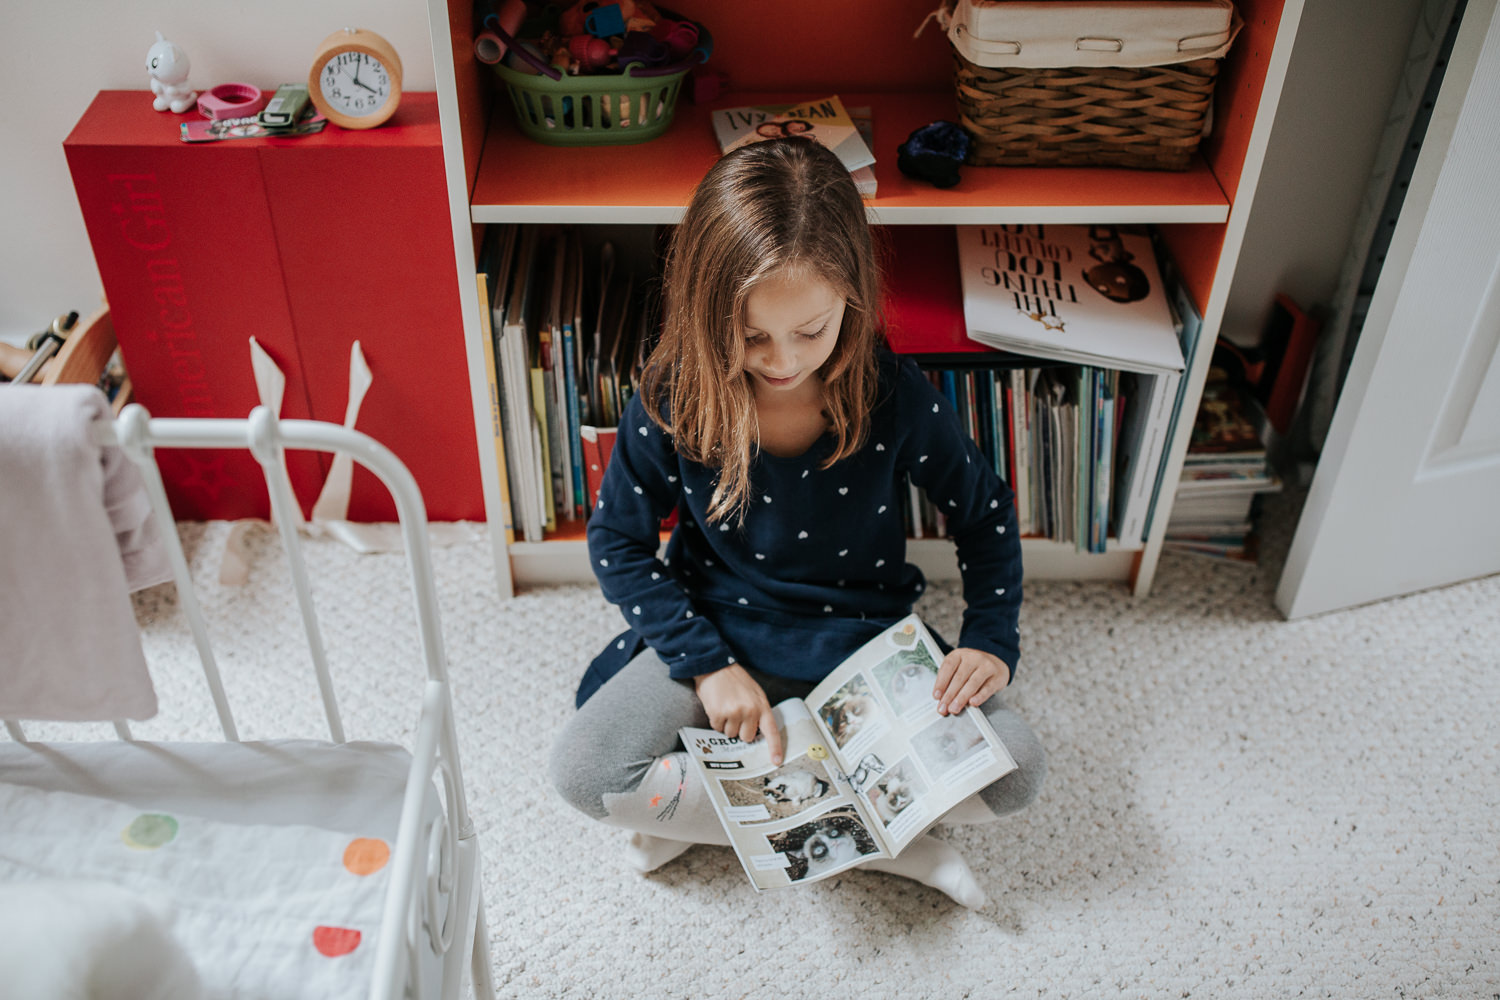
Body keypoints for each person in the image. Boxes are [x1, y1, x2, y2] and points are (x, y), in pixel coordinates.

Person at [549, 137, 1045, 908]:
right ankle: (884, 839)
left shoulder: (893, 393)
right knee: (584, 773)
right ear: (707, 309)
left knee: (1017, 771)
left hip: (863, 637)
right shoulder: (676, 392)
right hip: (720, 624)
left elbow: (983, 511)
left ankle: (787, 823)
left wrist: (989, 636)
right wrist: (707, 667)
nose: (782, 361)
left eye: (810, 331)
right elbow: (617, 539)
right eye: (751, 335)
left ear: (853, 297)